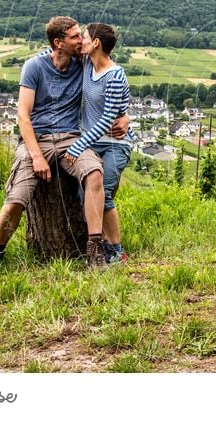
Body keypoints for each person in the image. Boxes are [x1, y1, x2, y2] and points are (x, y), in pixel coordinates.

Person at [0, 16, 127, 270]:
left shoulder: (82, 61)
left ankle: (95, 250)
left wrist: (125, 116)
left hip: (71, 137)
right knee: (17, 198)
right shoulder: (34, 67)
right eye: (75, 37)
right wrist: (36, 155)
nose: (81, 41)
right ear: (58, 43)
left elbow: (112, 76)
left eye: (82, 36)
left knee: (94, 173)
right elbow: (23, 115)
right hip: (38, 139)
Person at [63, 23, 135, 265]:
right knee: (87, 195)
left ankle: (117, 250)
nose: (81, 40)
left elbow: (107, 119)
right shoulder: (86, 64)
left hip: (115, 143)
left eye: (84, 37)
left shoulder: (115, 75)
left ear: (96, 43)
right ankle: (102, 243)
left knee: (103, 194)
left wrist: (78, 145)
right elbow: (55, 53)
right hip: (94, 144)